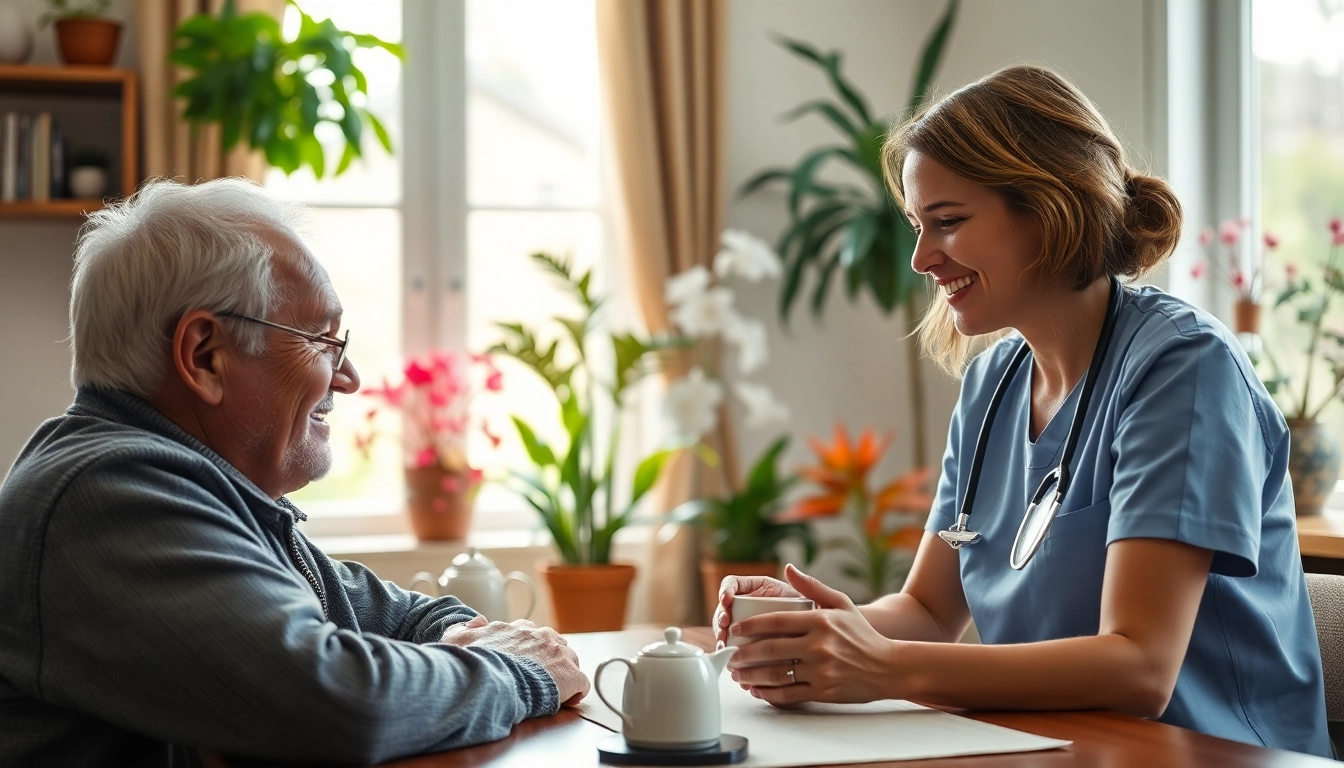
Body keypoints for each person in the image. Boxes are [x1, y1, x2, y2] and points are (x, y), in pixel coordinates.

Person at [714, 65, 1332, 757]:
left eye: (947, 222)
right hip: (1058, 750)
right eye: (918, 226)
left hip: (1212, 754)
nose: (921, 258)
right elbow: (927, 612)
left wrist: (883, 668)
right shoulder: (992, 386)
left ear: (1050, 209)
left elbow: (1140, 668)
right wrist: (812, 628)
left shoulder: (1184, 371)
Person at [0, 178, 589, 766]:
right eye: (321, 340)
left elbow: (397, 615)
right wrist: (515, 670)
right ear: (205, 355)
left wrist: (471, 637)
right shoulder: (104, 496)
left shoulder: (196, 490)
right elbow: (341, 703)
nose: (349, 377)